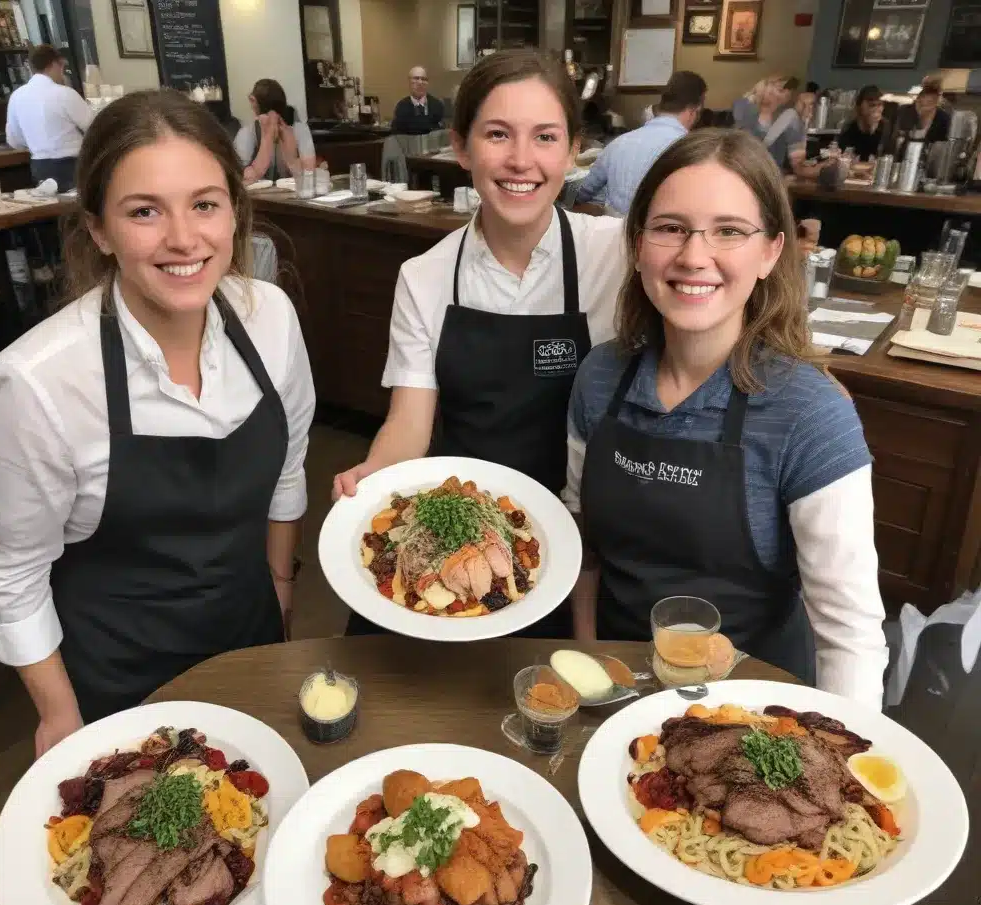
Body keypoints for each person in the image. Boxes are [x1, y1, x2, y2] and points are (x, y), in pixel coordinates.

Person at [0, 88, 315, 905]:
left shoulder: (271, 320)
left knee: (243, 876)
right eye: (144, 210)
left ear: (236, 211)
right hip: (116, 675)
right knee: (115, 896)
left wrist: (279, 588)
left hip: (245, 644)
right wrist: (57, 717)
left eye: (205, 203)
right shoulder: (42, 387)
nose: (183, 238)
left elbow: (287, 470)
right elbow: (5, 569)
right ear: (99, 228)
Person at [564, 128, 887, 708]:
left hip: (753, 713)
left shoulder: (812, 415)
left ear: (770, 253)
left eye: (729, 231)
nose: (694, 256)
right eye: (670, 228)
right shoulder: (600, 377)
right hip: (616, 685)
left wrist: (845, 762)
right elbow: (582, 544)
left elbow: (849, 635)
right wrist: (591, 666)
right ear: (638, 245)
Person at [332, 49, 627, 637]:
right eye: (497, 134)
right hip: (447, 521)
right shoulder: (425, 275)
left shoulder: (615, 255)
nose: (522, 160)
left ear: (573, 152)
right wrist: (376, 473)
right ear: (461, 147)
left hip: (570, 533)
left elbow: (713, 270)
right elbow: (410, 424)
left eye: (545, 136)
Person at [575, 71, 706, 216]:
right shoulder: (694, 151)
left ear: (659, 107)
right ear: (696, 110)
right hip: (663, 234)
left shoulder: (618, 144)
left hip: (616, 234)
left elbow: (581, 193)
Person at [5, 43, 94, 192]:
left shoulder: (16, 96)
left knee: (51, 210)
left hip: (40, 168)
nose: (62, 73)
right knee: (78, 210)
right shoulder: (64, 93)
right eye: (62, 68)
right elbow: (94, 128)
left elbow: (14, 141)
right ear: (53, 64)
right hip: (70, 166)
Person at [733, 75, 824, 179]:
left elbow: (799, 168)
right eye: (774, 86)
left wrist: (824, 168)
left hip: (770, 181)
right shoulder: (743, 107)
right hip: (741, 177)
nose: (774, 92)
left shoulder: (790, 119)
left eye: (784, 90)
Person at [234, 78, 317, 182]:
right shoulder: (247, 133)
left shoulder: (299, 130)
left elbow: (310, 176)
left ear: (253, 101)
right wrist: (267, 140)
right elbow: (238, 179)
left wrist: (291, 159)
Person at [838, 85, 889, 161]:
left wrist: (873, 131)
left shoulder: (886, 128)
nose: (876, 110)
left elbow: (887, 157)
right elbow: (841, 157)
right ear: (859, 107)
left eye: (879, 105)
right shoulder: (849, 129)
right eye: (872, 105)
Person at [392, 66, 446, 134]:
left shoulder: (437, 105)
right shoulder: (401, 106)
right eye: (416, 78)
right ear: (409, 82)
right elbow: (396, 135)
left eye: (424, 79)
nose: (420, 82)